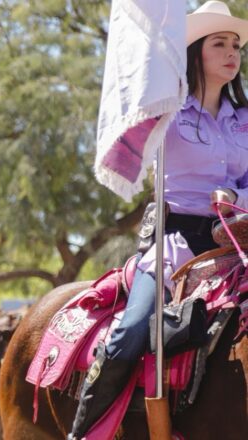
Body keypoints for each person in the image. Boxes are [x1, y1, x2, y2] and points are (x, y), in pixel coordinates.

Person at [69, 2, 248, 438]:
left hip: (237, 244)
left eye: (236, 45)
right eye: (219, 44)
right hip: (174, 248)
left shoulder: (246, 121)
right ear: (194, 53)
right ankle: (83, 431)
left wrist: (239, 195)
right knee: (131, 331)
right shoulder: (165, 113)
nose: (232, 53)